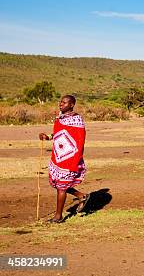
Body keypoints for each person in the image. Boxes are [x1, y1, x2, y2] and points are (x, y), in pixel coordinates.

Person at [38, 95, 89, 223]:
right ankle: (81, 196)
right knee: (60, 184)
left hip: (70, 156)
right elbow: (60, 134)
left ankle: (58, 216)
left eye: (65, 103)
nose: (61, 104)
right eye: (61, 102)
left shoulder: (76, 120)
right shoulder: (60, 118)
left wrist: (74, 156)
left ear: (71, 105)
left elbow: (79, 139)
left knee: (62, 187)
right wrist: (48, 137)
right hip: (59, 155)